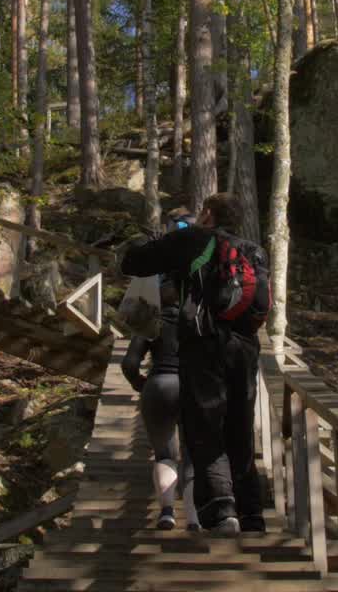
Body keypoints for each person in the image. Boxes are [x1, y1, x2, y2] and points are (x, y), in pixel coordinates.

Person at [120, 194, 266, 535]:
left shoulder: (192, 240)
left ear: (209, 215)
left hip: (203, 348)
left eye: (203, 212)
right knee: (240, 431)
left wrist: (152, 241)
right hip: (245, 351)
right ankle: (253, 516)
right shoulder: (255, 251)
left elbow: (133, 263)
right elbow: (260, 304)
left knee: (205, 429)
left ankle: (221, 511)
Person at [121, 273, 199, 531]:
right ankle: (194, 518)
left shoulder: (152, 321)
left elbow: (130, 362)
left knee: (165, 455)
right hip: (192, 388)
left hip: (159, 386)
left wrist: (140, 384)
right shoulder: (199, 320)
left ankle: (166, 512)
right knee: (192, 455)